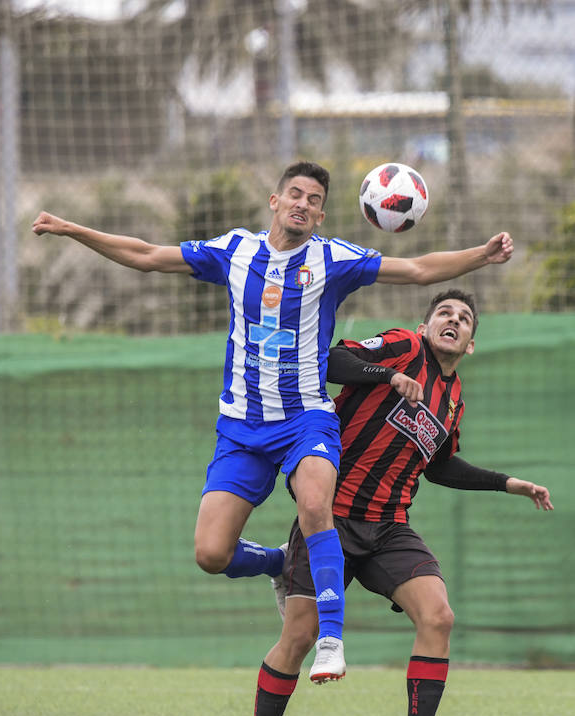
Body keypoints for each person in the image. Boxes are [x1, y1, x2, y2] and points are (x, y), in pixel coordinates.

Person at [32, 161, 515, 683]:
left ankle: (331, 638)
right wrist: (72, 230)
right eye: (295, 194)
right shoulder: (235, 251)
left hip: (306, 416)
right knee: (211, 554)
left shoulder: (333, 259)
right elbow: (148, 256)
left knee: (315, 504)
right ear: (275, 201)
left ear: (322, 214)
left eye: (313, 199)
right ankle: (278, 563)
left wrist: (480, 257)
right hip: (241, 427)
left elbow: (418, 268)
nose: (303, 204)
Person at [239, 289, 553, 716]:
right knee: (298, 637)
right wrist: (388, 375)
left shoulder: (452, 399)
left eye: (465, 318)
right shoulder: (404, 347)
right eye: (445, 314)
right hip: (330, 519)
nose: (454, 320)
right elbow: (331, 359)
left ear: (471, 343)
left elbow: (442, 465)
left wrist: (506, 482)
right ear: (427, 325)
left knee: (438, 615)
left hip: (388, 528)